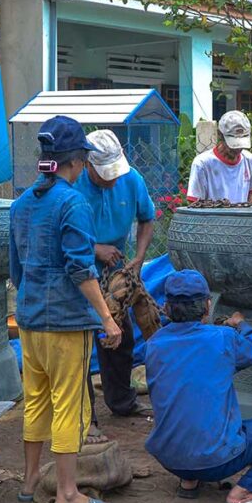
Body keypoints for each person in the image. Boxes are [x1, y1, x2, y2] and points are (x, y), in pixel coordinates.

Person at [9, 115, 122, 503]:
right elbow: (80, 268)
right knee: (69, 406)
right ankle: (68, 495)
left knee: (36, 400)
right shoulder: (73, 201)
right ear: (76, 161)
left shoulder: (22, 203)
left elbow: (16, 267)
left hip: (29, 318)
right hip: (65, 323)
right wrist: (107, 318)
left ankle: (27, 483)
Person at [144, 269, 252, 503]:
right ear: (207, 306)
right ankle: (248, 489)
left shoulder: (154, 343)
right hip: (216, 462)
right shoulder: (223, 338)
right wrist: (241, 324)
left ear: (166, 307)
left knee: (188, 412)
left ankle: (188, 480)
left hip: (168, 459)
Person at [73, 129, 156, 431]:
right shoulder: (73, 186)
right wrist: (95, 248)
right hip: (79, 269)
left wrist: (140, 257)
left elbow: (147, 218)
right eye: (104, 174)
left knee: (121, 338)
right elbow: (60, 234)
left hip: (116, 273)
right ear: (88, 165)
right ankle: (86, 418)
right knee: (81, 342)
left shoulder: (132, 179)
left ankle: (122, 401)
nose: (111, 179)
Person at [186, 110, 252, 203]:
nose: (237, 149)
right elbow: (194, 204)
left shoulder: (249, 160)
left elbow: (250, 196)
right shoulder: (202, 164)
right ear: (220, 136)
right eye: (232, 144)